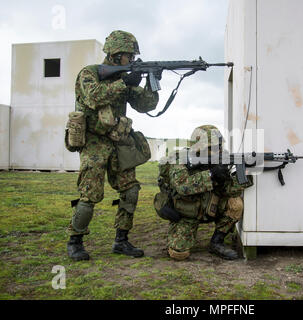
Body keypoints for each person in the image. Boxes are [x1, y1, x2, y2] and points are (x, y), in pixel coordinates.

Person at [66, 30, 159, 261]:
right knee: (89, 195)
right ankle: (75, 240)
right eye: (129, 56)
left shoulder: (123, 78)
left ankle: (121, 240)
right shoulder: (90, 73)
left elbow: (146, 105)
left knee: (130, 190)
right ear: (116, 55)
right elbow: (94, 98)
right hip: (94, 142)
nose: (131, 60)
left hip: (119, 141)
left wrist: (152, 81)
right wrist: (122, 82)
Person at [154, 125, 253, 261]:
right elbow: (183, 186)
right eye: (213, 147)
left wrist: (243, 177)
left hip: (211, 208)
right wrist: (212, 174)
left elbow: (227, 190)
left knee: (235, 204)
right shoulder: (179, 159)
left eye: (219, 146)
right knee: (179, 254)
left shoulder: (220, 158)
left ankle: (216, 242)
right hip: (186, 213)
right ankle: (180, 230)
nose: (218, 150)